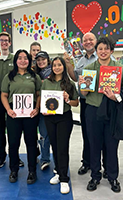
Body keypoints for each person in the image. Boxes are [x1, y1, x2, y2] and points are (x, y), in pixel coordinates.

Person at [79, 37, 123, 192]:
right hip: (93, 110)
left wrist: (116, 97)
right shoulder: (89, 69)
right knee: (94, 144)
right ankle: (95, 176)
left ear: (111, 51)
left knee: (111, 145)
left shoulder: (120, 69)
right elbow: (83, 93)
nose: (103, 51)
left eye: (106, 48)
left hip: (112, 110)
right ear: (96, 50)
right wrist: (83, 85)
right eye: (100, 48)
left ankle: (113, 176)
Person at [64, 32, 107, 177]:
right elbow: (74, 77)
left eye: (91, 39)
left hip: (102, 101)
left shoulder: (105, 57)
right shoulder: (80, 59)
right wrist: (68, 64)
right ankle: (87, 162)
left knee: (105, 135)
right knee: (88, 133)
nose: (88, 42)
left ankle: (107, 165)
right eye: (85, 40)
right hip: (85, 101)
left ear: (96, 41)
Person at [1, 49, 41, 184]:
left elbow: (39, 94)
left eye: (25, 58)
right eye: (20, 58)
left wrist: (37, 108)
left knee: (31, 143)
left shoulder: (34, 76)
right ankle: (13, 170)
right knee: (13, 143)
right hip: (14, 114)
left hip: (30, 114)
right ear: (16, 60)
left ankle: (32, 171)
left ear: (29, 61)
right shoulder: (9, 76)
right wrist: (8, 110)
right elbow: (4, 95)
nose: (23, 60)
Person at [0, 32, 24, 168]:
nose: (4, 43)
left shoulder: (15, 59)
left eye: (6, 40)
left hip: (13, 97)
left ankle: (16, 157)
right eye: (1, 40)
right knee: (1, 128)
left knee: (14, 129)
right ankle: (2, 157)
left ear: (10, 43)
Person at [41, 57, 79, 194]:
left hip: (64, 117)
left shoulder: (69, 84)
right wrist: (43, 110)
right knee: (55, 146)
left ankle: (64, 179)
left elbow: (76, 103)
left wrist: (68, 99)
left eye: (59, 65)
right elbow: (43, 99)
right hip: (49, 119)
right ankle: (58, 171)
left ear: (63, 67)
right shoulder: (46, 83)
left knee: (62, 147)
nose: (57, 67)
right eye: (54, 65)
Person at [34, 51, 52, 170]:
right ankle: (44, 158)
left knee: (52, 135)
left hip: (52, 107)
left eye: (43, 59)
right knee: (43, 135)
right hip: (38, 107)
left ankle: (51, 159)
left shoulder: (53, 71)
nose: (41, 62)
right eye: (38, 60)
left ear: (48, 60)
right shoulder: (34, 73)